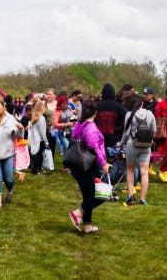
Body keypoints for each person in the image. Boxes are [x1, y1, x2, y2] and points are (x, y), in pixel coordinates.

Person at [67, 99, 111, 234]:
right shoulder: (91, 128)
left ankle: (87, 225)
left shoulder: (79, 125)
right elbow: (94, 147)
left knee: (88, 195)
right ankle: (78, 213)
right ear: (95, 112)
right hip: (88, 166)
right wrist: (103, 164)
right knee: (103, 195)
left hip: (77, 165)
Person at [119, 96, 156, 205]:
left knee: (130, 170)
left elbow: (126, 133)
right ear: (141, 103)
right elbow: (153, 130)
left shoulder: (129, 115)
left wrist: (121, 143)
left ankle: (130, 196)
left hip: (132, 144)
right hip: (146, 145)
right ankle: (142, 199)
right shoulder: (150, 114)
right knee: (144, 172)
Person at [94, 83, 127, 149]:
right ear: (113, 93)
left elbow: (92, 121)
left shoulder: (96, 106)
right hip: (114, 140)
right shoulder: (120, 107)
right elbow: (122, 124)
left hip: (97, 138)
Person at [27, 101, 48, 174]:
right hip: (40, 139)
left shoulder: (34, 116)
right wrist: (46, 140)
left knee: (36, 154)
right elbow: (42, 131)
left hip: (34, 138)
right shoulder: (41, 118)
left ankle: (37, 168)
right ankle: (35, 170)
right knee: (38, 155)